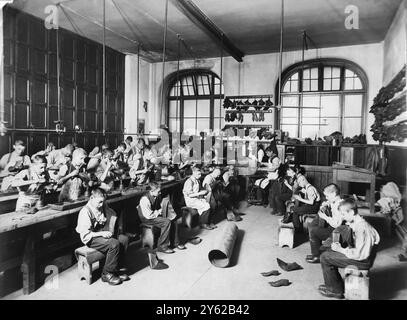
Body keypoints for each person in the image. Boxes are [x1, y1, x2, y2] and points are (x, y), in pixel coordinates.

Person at [319, 198, 380, 299]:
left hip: (363, 260)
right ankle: (335, 285)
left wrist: (341, 250)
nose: (342, 217)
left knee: (325, 257)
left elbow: (360, 255)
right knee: (331, 250)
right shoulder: (358, 221)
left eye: (343, 214)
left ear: (351, 212)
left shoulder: (362, 228)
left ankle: (334, 290)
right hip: (362, 256)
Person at [75, 188, 129, 286]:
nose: (101, 205)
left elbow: (110, 212)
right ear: (92, 198)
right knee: (114, 244)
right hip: (91, 238)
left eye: (103, 202)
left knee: (124, 239)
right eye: (99, 202)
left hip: (101, 234)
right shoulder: (85, 211)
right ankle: (107, 274)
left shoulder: (102, 205)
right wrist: (101, 234)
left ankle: (115, 269)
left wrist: (109, 219)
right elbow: (86, 234)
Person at [139, 182, 186, 253]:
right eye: (158, 191)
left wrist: (162, 210)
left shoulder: (156, 195)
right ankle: (162, 246)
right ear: (151, 191)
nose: (160, 193)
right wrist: (159, 212)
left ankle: (175, 242)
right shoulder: (145, 199)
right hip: (147, 218)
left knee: (173, 219)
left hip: (154, 214)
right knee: (166, 222)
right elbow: (148, 215)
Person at [306, 184, 344, 263]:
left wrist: (325, 217)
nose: (326, 198)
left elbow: (337, 224)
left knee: (313, 231)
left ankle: (317, 256)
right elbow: (330, 204)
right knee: (314, 224)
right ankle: (317, 252)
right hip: (334, 228)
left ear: (333, 194)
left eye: (327, 196)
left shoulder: (340, 206)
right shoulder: (336, 201)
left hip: (338, 231)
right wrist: (327, 204)